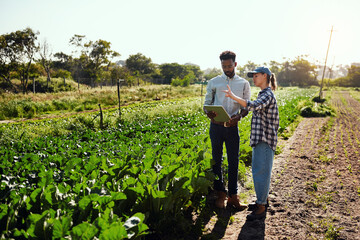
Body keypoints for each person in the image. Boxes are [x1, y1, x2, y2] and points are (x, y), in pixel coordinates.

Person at [223, 66, 279, 220]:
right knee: (259, 171)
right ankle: (262, 201)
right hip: (259, 140)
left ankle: (261, 206)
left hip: (265, 140)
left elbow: (252, 106)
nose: (253, 78)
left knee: (261, 172)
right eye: (252, 76)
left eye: (256, 75)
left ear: (265, 76)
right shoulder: (264, 93)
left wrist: (233, 97)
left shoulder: (267, 94)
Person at [203, 51, 251, 210]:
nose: (227, 69)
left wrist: (239, 117)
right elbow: (206, 104)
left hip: (232, 127)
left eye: (229, 66)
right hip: (216, 127)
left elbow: (246, 106)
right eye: (224, 66)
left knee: (233, 161)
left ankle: (233, 196)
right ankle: (220, 195)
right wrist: (208, 112)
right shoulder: (214, 82)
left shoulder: (243, 83)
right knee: (217, 160)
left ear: (235, 64)